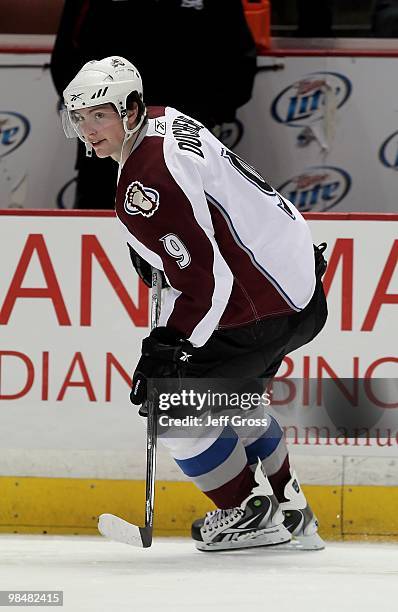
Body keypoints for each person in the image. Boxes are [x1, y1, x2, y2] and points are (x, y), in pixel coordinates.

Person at [62, 56, 328, 552]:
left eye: (100, 114)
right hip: (300, 292)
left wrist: (169, 346)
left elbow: (206, 285)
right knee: (233, 398)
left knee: (173, 405)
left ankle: (248, 515)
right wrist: (155, 248)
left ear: (132, 108)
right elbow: (204, 206)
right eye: (80, 117)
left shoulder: (146, 179)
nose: (88, 129)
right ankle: (291, 509)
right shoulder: (166, 119)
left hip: (259, 304)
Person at [51, 0, 256, 209]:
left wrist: (205, 118)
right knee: (97, 225)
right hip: (107, 144)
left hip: (184, 141)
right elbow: (65, 57)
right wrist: (88, 115)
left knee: (190, 227)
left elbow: (239, 57)